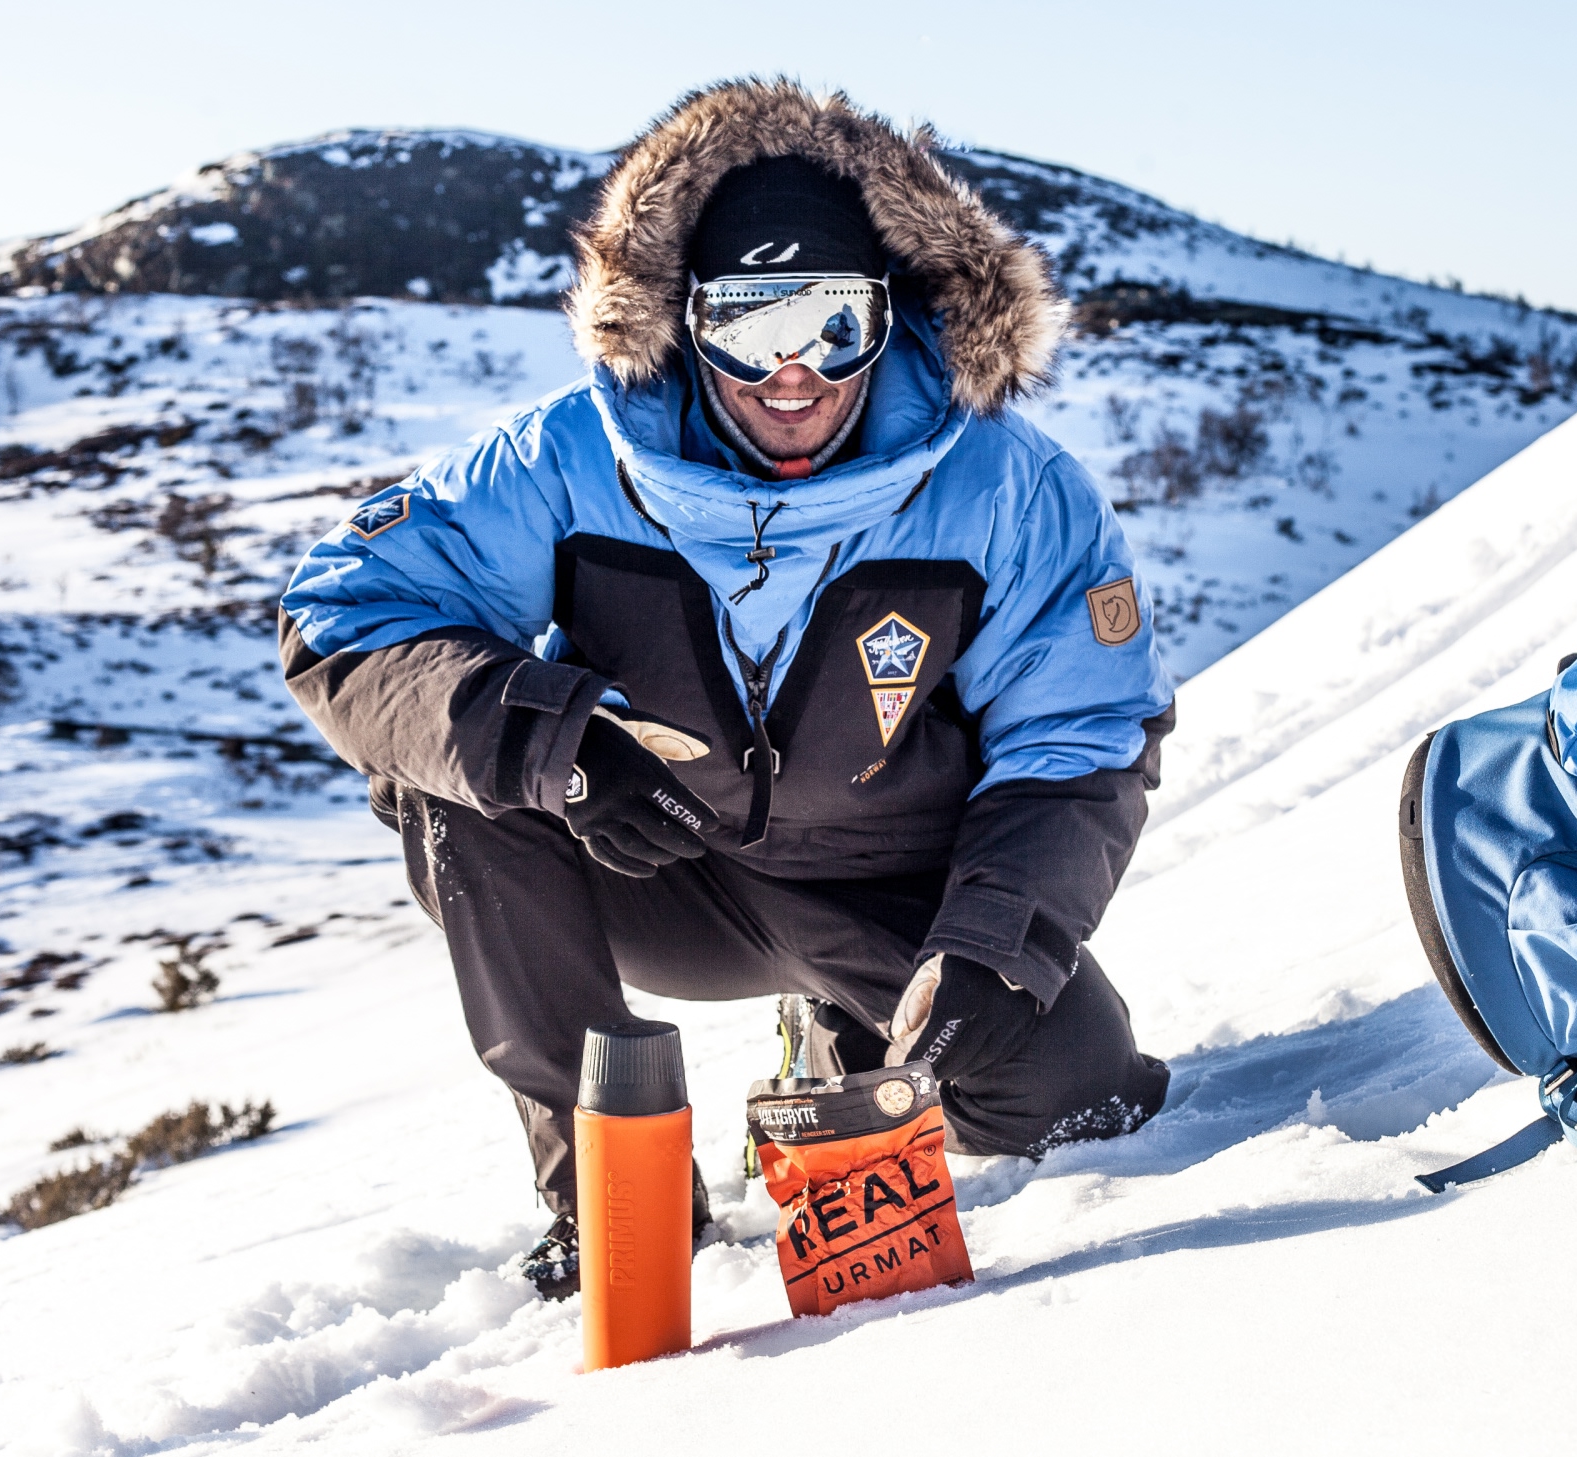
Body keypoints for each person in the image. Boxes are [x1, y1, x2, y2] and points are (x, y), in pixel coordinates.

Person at [278, 80, 1175, 1298]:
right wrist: (557, 743)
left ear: (894, 314)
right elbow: (347, 612)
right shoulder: (566, 457)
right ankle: (609, 1190)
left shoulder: (1006, 486)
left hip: (887, 883)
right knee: (456, 775)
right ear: (682, 321)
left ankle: (857, 1034)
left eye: (834, 324)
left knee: (1075, 1095)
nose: (795, 371)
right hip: (650, 864)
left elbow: (1079, 731)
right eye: (754, 326)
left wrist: (993, 947)